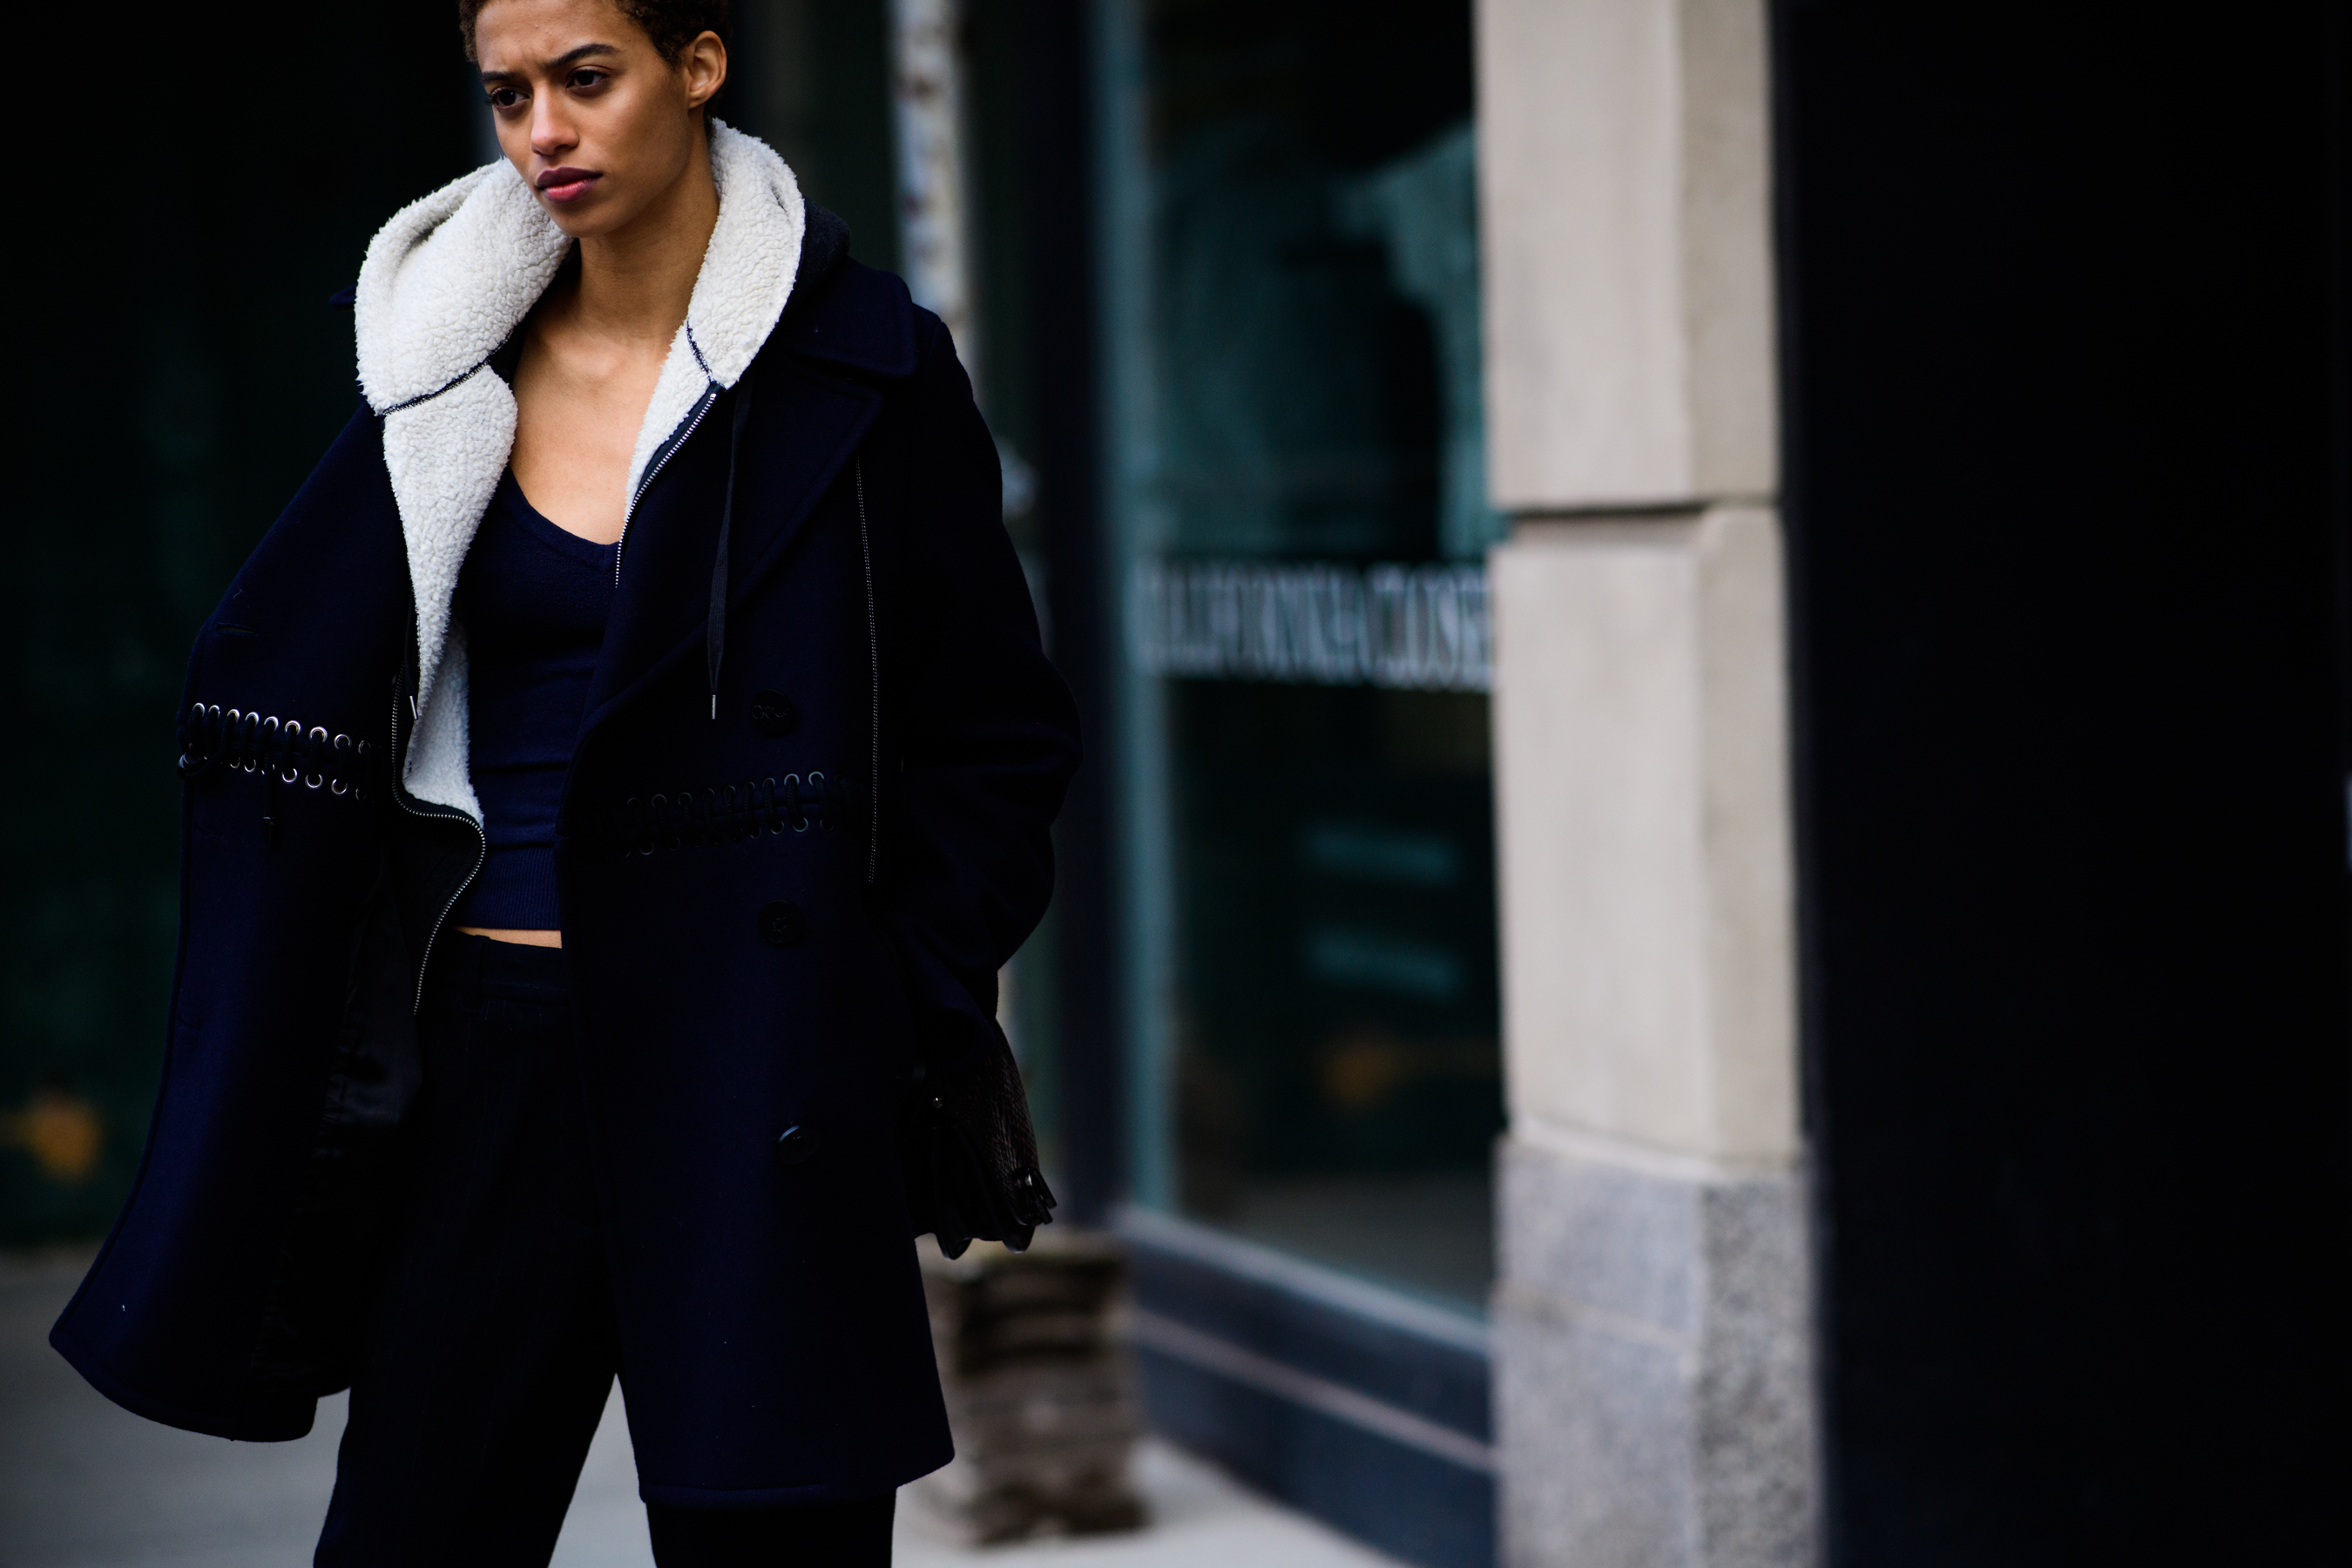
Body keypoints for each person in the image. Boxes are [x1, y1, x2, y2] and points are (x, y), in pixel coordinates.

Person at [47, 0, 1079, 1561]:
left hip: (768, 1065)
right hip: (497, 1056)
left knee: (775, 1542)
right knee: (417, 1533)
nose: (545, 131)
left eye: (587, 79)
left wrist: (888, 986)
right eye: (509, 91)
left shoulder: (866, 372)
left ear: (701, 65)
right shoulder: (439, 376)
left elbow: (998, 734)